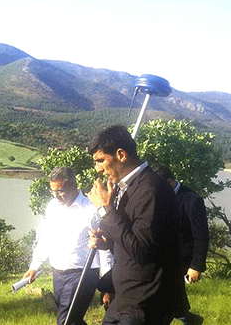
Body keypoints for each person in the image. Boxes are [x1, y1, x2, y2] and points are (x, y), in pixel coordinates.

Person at [86, 125, 181, 325]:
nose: (98, 169)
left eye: (101, 160)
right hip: (125, 299)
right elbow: (131, 239)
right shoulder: (126, 187)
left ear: (121, 154)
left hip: (147, 302)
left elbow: (142, 251)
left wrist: (105, 210)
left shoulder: (151, 189)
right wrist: (108, 242)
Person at [22, 166, 113, 325]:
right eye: (53, 191)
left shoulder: (90, 209)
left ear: (73, 185)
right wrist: (34, 266)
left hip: (82, 274)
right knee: (73, 320)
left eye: (60, 191)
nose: (56, 196)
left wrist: (108, 285)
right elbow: (46, 237)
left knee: (66, 321)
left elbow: (104, 250)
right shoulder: (52, 207)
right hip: (58, 273)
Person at [152, 164, 208, 325]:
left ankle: (185, 317)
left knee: (164, 300)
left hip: (181, 260)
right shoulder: (159, 197)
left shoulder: (191, 199)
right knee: (167, 296)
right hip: (162, 258)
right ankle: (189, 318)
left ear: (170, 182)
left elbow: (201, 235)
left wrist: (196, 266)